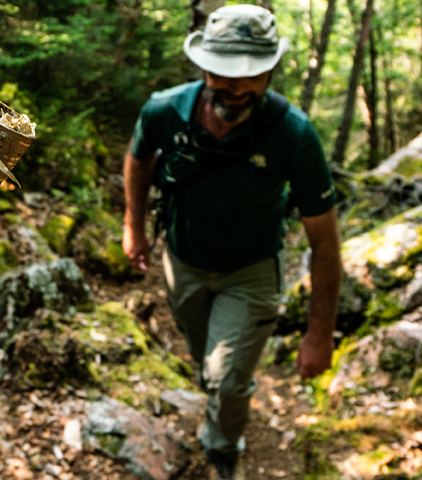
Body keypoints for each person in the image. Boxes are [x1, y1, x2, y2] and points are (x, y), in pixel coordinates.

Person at [120, 5, 342, 479]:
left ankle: (223, 448)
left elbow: (324, 241)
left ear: (268, 72)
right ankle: (223, 404)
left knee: (225, 377)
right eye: (224, 74)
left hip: (252, 270)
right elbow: (139, 159)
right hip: (182, 261)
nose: (236, 87)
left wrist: (319, 335)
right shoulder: (164, 110)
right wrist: (132, 227)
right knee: (207, 366)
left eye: (250, 75)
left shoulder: (294, 134)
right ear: (204, 66)